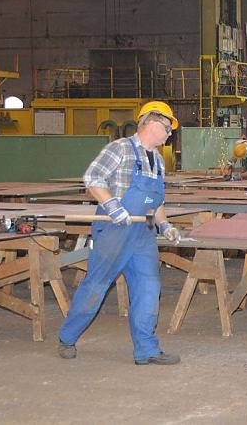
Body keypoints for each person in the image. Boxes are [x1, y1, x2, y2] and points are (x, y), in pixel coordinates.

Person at [58, 101, 182, 366]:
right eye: (167, 127)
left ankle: (146, 349)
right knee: (96, 286)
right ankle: (67, 337)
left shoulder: (158, 161)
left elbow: (157, 202)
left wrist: (165, 225)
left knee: (149, 288)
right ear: (150, 122)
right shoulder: (121, 149)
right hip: (114, 231)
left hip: (142, 234)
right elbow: (93, 177)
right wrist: (112, 205)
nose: (170, 133)